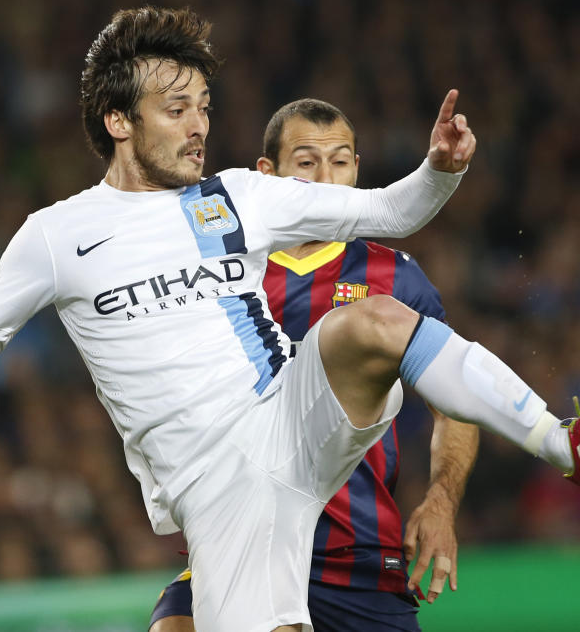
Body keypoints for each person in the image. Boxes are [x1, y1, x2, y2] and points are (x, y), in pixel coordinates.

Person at [0, 6, 580, 632]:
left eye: (203, 105)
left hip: (287, 417)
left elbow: (389, 212)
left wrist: (439, 170)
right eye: (174, 108)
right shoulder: (56, 237)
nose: (198, 124)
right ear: (119, 121)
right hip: (217, 488)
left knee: (372, 320)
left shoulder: (235, 196)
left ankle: (563, 443)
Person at [149, 99, 480, 632]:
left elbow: (457, 405)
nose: (326, 179)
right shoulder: (223, 276)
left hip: (357, 555)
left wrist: (441, 503)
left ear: (358, 171)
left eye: (341, 162)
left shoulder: (396, 279)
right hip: (246, 541)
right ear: (267, 174)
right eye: (306, 163)